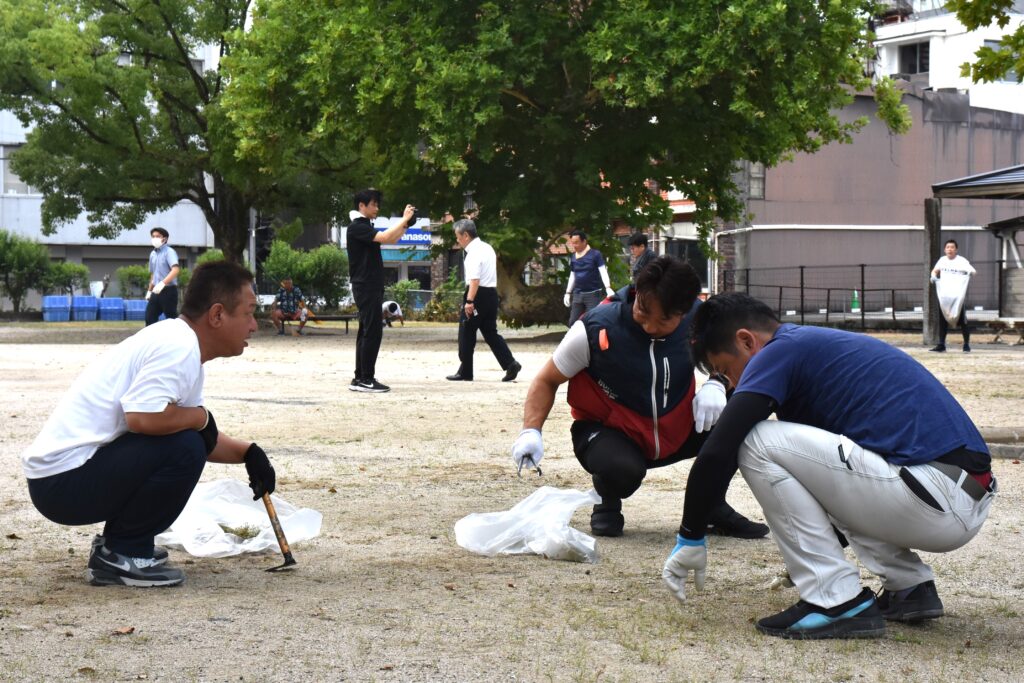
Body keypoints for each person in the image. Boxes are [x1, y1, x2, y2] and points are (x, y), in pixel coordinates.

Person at [663, 293, 995, 640]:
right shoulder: (813, 349)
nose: (732, 384)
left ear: (747, 341)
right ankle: (909, 588)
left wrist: (691, 535)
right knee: (822, 464)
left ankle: (834, 600)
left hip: (932, 495)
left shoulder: (778, 351)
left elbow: (719, 450)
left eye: (725, 371)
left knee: (756, 440)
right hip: (958, 493)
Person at [21, 261, 278, 587]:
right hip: (62, 483)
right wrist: (201, 418)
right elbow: (144, 419)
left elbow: (185, 428)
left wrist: (249, 453)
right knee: (186, 447)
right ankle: (123, 554)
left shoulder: (180, 343)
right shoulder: (178, 347)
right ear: (216, 315)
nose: (255, 325)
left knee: (187, 441)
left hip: (62, 479)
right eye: (249, 312)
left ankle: (120, 548)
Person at [511, 256, 768, 539]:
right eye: (643, 311)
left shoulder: (701, 320)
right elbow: (547, 379)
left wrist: (718, 382)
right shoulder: (598, 327)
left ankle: (711, 505)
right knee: (622, 471)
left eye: (664, 320)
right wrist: (531, 431)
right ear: (637, 292)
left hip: (676, 425)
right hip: (612, 433)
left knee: (743, 411)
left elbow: (745, 357)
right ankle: (607, 498)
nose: (649, 326)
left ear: (684, 313)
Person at [346, 188, 416, 393]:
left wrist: (407, 225)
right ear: (361, 206)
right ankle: (366, 378)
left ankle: (360, 377)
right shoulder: (357, 227)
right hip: (366, 284)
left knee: (366, 330)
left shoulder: (364, 226)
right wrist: (403, 219)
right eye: (373, 204)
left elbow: (390, 239)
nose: (377, 208)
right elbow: (385, 237)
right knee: (372, 331)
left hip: (368, 284)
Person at [446, 219, 522, 382]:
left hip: (476, 295)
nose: (457, 241)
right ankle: (510, 363)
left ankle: (466, 371)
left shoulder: (472, 254)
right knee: (490, 333)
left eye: (458, 237)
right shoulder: (488, 248)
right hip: (491, 294)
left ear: (466, 235)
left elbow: (474, 280)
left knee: (466, 333)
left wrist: (469, 301)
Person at [930, 239, 976, 353]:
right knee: (942, 321)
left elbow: (973, 271)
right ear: (945, 250)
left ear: (956, 249)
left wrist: (967, 272)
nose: (950, 249)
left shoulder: (962, 261)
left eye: (952, 247)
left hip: (957, 298)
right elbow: (934, 271)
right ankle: (941, 344)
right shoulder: (942, 260)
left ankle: (966, 344)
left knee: (963, 322)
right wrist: (933, 276)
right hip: (944, 297)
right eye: (947, 247)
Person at [563, 230, 615, 326]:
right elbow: (572, 275)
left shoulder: (596, 254)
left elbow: (603, 271)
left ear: (584, 241)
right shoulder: (573, 257)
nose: (574, 245)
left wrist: (608, 287)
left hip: (593, 294)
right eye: (572, 243)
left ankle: (594, 340)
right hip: (578, 294)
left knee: (593, 321)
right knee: (573, 322)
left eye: (576, 243)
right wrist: (567, 293)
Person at [145, 227, 180, 326]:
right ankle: (152, 340)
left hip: (168, 291)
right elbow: (153, 274)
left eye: (158, 236)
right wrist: (149, 290)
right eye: (153, 236)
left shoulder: (169, 252)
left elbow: (175, 270)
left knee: (171, 318)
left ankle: (177, 339)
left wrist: (163, 283)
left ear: (164, 239)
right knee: (149, 318)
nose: (155, 238)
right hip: (156, 291)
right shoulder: (152, 254)